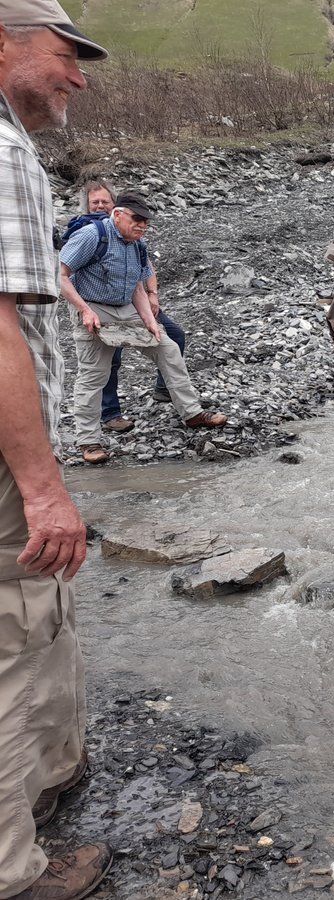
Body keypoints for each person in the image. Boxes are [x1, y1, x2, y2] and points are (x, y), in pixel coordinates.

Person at [0, 2, 112, 896]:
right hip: (5, 462)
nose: (78, 76)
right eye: (63, 56)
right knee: (14, 630)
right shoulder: (1, 152)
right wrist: (42, 484)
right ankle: (12, 868)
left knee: (35, 609)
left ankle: (53, 773)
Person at [59, 190, 226, 465]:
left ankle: (192, 413)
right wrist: (84, 310)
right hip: (93, 306)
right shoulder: (91, 236)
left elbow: (137, 285)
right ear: (118, 214)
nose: (142, 225)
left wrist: (149, 319)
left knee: (168, 349)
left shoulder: (137, 243)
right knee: (94, 374)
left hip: (126, 307)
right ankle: (88, 441)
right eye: (137, 219)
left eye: (146, 221)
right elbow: (60, 274)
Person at [76, 180, 187, 434]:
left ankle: (164, 390)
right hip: (98, 305)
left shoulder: (131, 233)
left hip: (131, 301)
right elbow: (65, 274)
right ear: (88, 205)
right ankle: (110, 414)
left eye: (105, 201)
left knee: (173, 336)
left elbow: (143, 265)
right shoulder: (87, 232)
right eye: (95, 202)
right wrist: (84, 309)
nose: (100, 206)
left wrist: (152, 294)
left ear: (115, 206)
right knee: (108, 360)